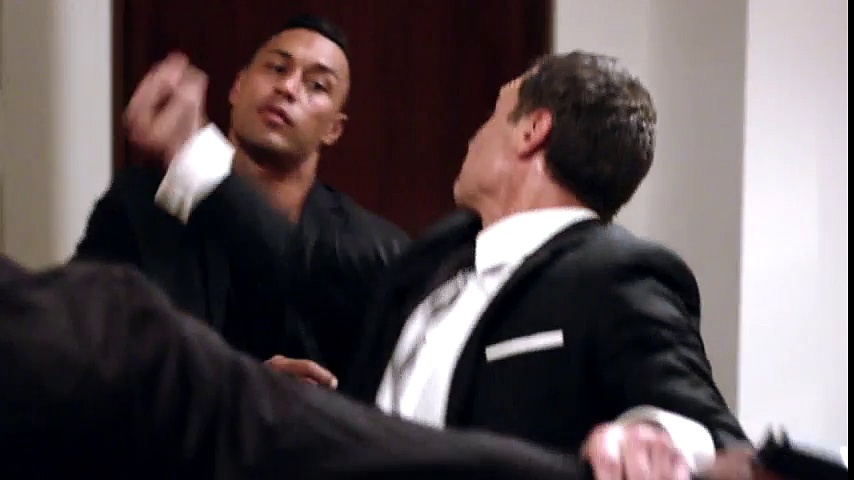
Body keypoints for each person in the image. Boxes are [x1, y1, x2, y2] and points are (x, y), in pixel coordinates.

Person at [123, 49, 751, 479]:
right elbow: (293, 261)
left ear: (531, 131)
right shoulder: (433, 257)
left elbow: (706, 425)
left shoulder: (618, 273)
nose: (474, 136)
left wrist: (659, 439)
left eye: (493, 116)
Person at [72, 14, 409, 374]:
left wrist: (195, 160)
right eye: (277, 68)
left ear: (334, 130)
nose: (288, 87)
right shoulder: (137, 206)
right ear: (236, 87)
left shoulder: (372, 251)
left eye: (317, 85)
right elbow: (79, 350)